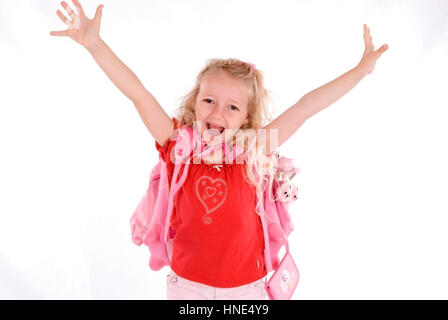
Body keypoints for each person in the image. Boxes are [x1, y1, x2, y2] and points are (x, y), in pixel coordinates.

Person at [50, 0, 389, 300]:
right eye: (209, 101)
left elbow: (304, 108)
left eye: (232, 107)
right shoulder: (177, 146)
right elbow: (138, 93)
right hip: (187, 287)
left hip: (248, 289)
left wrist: (361, 71)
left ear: (246, 118)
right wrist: (95, 45)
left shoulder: (255, 150)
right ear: (194, 102)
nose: (217, 113)